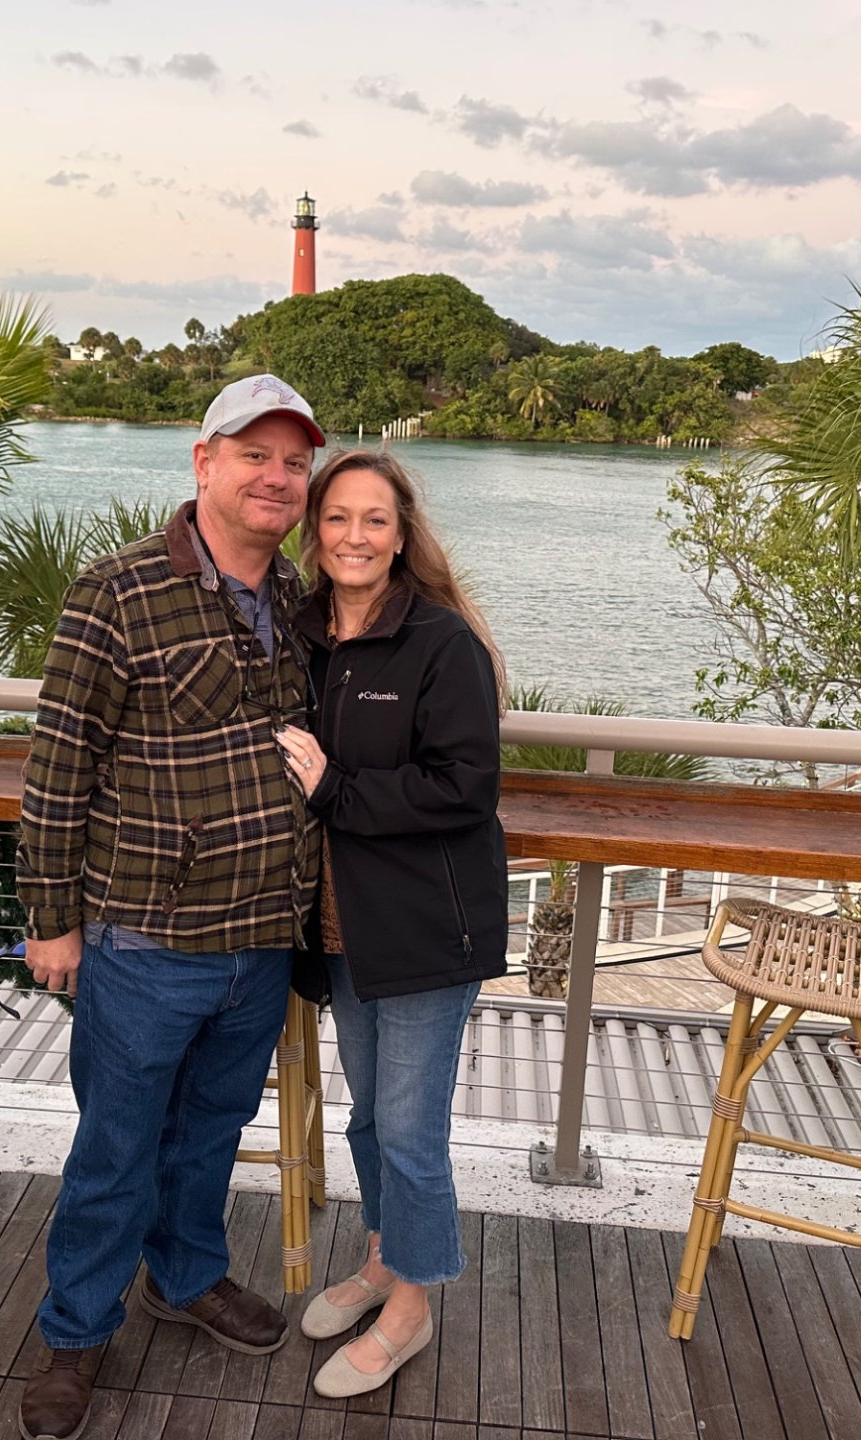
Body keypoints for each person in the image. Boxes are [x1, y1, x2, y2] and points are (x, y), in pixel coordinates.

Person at [15, 374, 327, 1440]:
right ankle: (75, 1330)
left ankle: (186, 1275)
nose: (277, 477)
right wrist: (49, 920)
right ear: (204, 462)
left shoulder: (297, 597)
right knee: (116, 1145)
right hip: (145, 938)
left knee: (209, 1132)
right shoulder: (118, 591)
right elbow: (59, 768)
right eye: (256, 455)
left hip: (260, 939)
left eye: (294, 461)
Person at [272, 449, 509, 1398]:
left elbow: (466, 787)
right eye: (337, 519)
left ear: (401, 535)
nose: (355, 537)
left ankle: (411, 1310)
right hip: (338, 929)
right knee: (370, 1117)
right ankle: (381, 1259)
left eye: (375, 520)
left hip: (421, 929)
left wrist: (337, 788)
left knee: (410, 1133)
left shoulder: (439, 643)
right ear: (313, 532)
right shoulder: (302, 634)